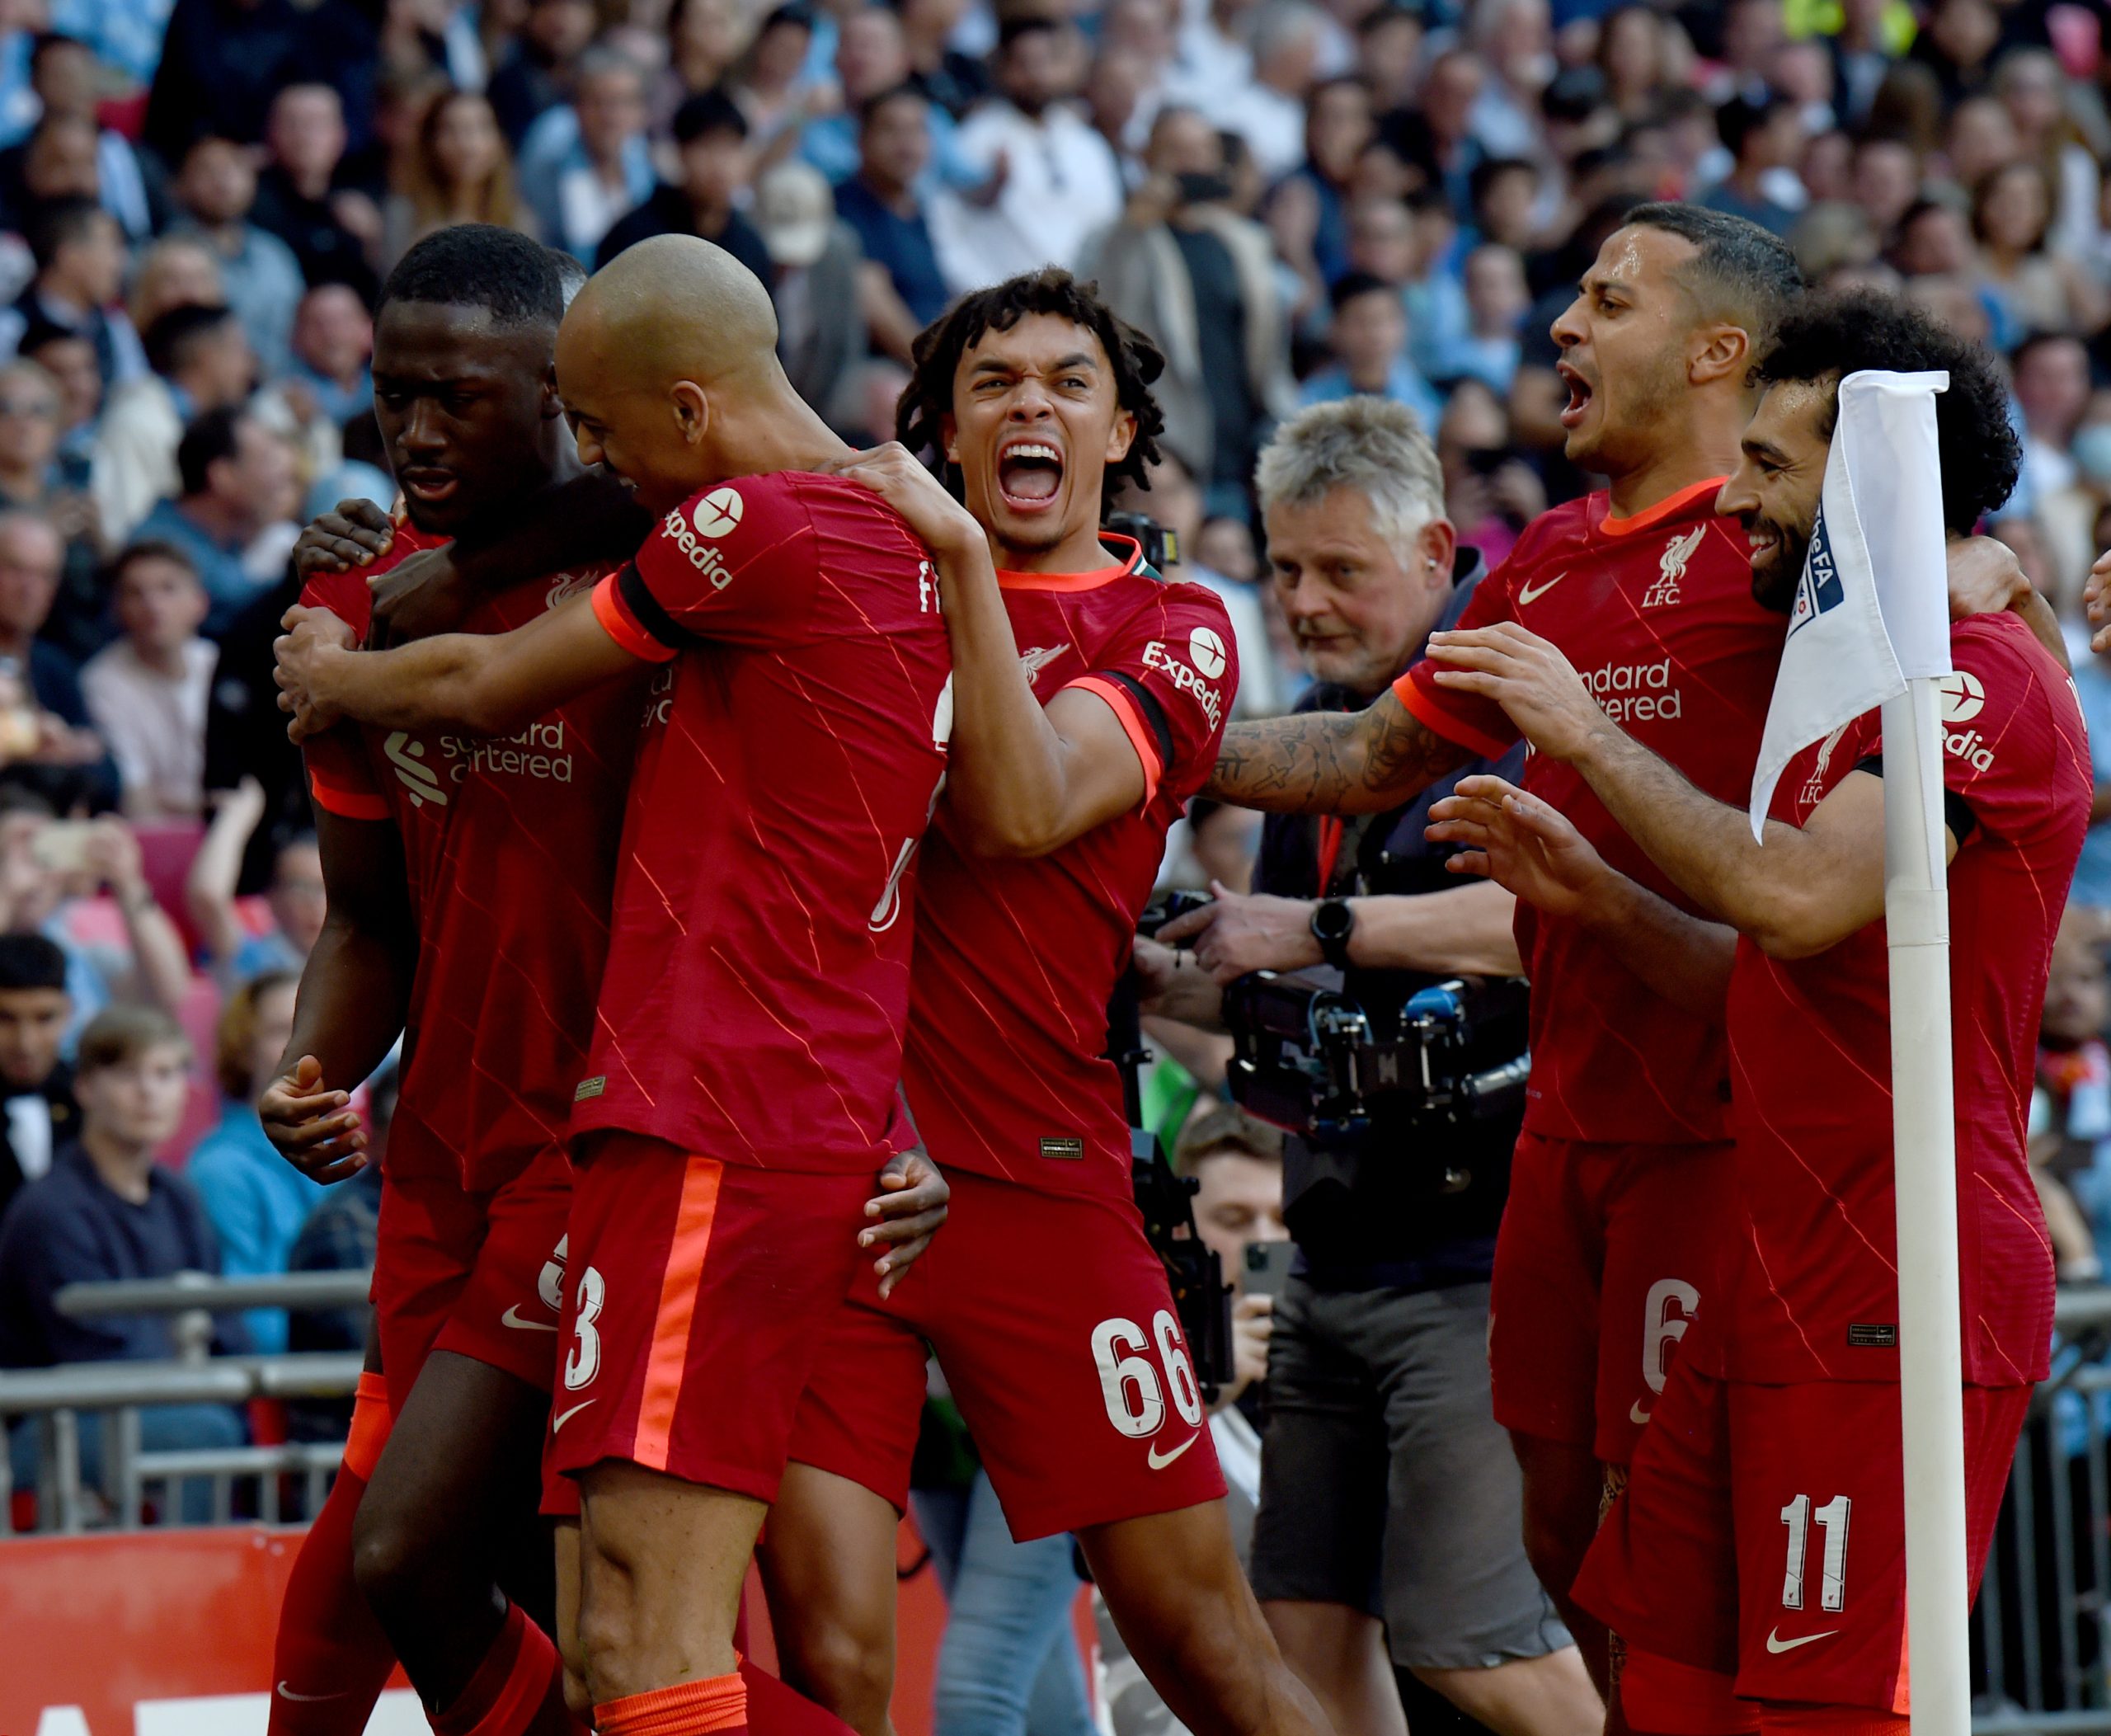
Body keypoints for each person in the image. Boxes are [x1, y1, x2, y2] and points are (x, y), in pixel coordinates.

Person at [1196, 202, 2046, 1697]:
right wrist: (1129, 727)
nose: (1562, 328)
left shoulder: (1812, 569)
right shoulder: (1546, 564)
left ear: (1720, 348)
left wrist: (1992, 576)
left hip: (1738, 1153)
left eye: (1607, 299)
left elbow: (1975, 626)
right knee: (1575, 1561)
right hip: (1561, 1127)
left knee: (1726, 1613)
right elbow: (1364, 753)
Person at [270, 231, 954, 1736]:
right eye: (392, 399)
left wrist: (907, 1114)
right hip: (462, 1157)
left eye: (466, 397)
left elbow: (864, 839)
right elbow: (366, 918)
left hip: (638, 1143)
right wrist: (311, 1068)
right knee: (536, 1625)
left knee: (617, 1614)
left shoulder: (688, 558)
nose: (415, 432)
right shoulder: (375, 578)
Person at [1422, 287, 2086, 1734]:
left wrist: (1584, 730)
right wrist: (1595, 897)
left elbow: (1787, 900)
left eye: (1774, 469)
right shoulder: (1849, 693)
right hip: (1768, 1260)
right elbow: (1767, 983)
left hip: (1898, 1268)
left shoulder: (1974, 688)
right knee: (1662, 1685)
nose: (1739, 505)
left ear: (1871, 484)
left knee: (1824, 1711)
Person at [744, 268, 1323, 1736]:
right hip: (844, 1181)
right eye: (994, 382)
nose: (1032, 407)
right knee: (836, 1665)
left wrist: (945, 565)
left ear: (1124, 427)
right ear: (939, 422)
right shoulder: (846, 589)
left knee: (1203, 1647)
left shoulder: (1179, 621)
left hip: (1047, 1186)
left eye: (1070, 383)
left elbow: (1015, 812)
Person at [1139, 396, 1596, 1736]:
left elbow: (1542, 923)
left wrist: (1315, 923)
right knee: (1309, 1641)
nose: (1305, 599)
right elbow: (1306, 1002)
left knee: (1473, 1644)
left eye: (1341, 569)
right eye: (1285, 568)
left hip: (1473, 1266)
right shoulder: (1311, 730)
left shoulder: (1509, 711)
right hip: (1329, 1255)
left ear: (1438, 550)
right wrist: (1174, 973)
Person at [0, 1005, 247, 1522]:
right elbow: (94, 1351)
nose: (149, 1092)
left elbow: (226, 1324)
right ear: (86, 1088)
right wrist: (193, 1356)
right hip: (52, 1426)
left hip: (163, 1403)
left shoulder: (180, 1196)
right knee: (205, 1432)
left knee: (227, 1423)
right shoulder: (49, 1209)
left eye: (166, 1073)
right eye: (127, 1074)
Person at [1090, 106, 1296, 520]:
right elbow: (1101, 313)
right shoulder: (1119, 239)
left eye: (1202, 150)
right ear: (1148, 157)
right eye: (1176, 150)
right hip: (1167, 458)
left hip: (1244, 455)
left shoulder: (1244, 242)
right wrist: (1133, 225)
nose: (1191, 162)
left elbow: (1269, 353)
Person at [929, 16, 1125, 292]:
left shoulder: (1087, 143)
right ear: (1001, 69)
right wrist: (986, 301)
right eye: (1024, 64)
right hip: (1003, 308)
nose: (1038, 76)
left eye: (1047, 62)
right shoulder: (975, 140)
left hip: (1083, 304)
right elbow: (947, 231)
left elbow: (1109, 226)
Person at [186, 970, 320, 1357]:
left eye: (314, 1024)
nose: (303, 1041)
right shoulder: (220, 1170)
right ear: (242, 1050)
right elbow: (246, 1319)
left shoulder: (353, 1151)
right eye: (281, 1029)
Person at [90, 302, 258, 547]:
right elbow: (126, 533)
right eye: (239, 350)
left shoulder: (202, 422)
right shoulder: (136, 423)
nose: (249, 365)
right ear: (206, 355)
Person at [131, 408, 301, 633]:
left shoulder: (226, 534)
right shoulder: (159, 548)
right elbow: (246, 608)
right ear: (223, 476)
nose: (279, 476)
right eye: (265, 461)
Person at [80, 541, 218, 818]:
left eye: (168, 589)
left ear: (199, 603)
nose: (153, 605)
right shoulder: (102, 682)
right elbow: (136, 798)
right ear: (118, 609)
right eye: (136, 593)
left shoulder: (219, 664)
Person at [593, 88, 773, 285]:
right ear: (681, 153)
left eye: (731, 147)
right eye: (707, 146)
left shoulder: (750, 248)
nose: (720, 164)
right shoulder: (636, 237)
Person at [167, 134, 307, 379]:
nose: (222, 179)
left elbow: (299, 336)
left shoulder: (275, 254)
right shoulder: (165, 257)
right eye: (206, 169)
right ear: (178, 186)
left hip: (279, 387)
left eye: (233, 166)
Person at [0, 199, 141, 394]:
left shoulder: (115, 326)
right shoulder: (10, 328)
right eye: (112, 247)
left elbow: (132, 394)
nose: (120, 263)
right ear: (68, 255)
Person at [0, 931, 77, 1223]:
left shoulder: (92, 1101)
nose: (25, 1043)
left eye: (44, 1018)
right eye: (5, 1019)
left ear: (69, 1013)